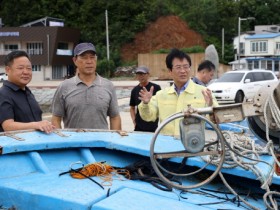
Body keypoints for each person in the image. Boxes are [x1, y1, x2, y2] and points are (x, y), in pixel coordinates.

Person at [138, 48, 218, 136]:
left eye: (186, 67)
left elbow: (217, 120)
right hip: (166, 146)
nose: (183, 71)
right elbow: (149, 117)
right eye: (178, 67)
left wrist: (211, 106)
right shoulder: (161, 95)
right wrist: (145, 104)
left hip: (193, 146)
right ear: (170, 71)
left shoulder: (204, 92)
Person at [51, 42, 121, 130]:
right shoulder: (64, 86)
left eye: (92, 57)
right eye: (84, 57)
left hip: (101, 142)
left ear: (96, 59)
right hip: (73, 143)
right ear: (75, 60)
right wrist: (62, 141)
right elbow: (56, 119)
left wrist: (114, 141)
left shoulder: (108, 86)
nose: (89, 61)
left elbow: (115, 117)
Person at [0, 50, 54, 133]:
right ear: (8, 70)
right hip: (17, 145)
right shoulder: (3, 94)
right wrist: (36, 125)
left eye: (29, 68)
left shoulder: (28, 92)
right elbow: (8, 126)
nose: (26, 72)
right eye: (20, 68)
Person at [129, 66, 161, 132]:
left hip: (153, 126)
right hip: (139, 127)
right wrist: (134, 121)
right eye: (138, 74)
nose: (140, 76)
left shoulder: (156, 87)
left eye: (142, 74)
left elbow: (161, 105)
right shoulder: (134, 90)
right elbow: (132, 107)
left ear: (148, 74)